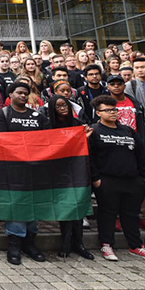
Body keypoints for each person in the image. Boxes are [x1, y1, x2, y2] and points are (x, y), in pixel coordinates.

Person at [89, 95, 145, 263]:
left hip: (132, 181)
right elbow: (90, 158)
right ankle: (106, 244)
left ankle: (136, 245)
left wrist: (144, 179)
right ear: (98, 113)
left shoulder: (128, 131)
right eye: (107, 110)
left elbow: (141, 156)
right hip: (107, 181)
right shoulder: (94, 131)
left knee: (130, 215)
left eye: (114, 109)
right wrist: (96, 179)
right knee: (107, 214)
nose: (112, 113)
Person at [0, 82, 50, 266]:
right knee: (16, 207)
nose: (23, 96)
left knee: (32, 206)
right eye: (19, 93)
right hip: (12, 170)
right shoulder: (1, 115)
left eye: (26, 93)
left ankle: (29, 243)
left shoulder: (37, 116)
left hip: (34, 170)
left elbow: (47, 139)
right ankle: (14, 244)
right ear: (10, 95)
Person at [45, 95, 94, 260]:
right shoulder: (48, 126)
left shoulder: (78, 124)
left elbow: (85, 148)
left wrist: (85, 138)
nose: (63, 108)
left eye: (65, 105)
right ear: (53, 109)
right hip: (58, 172)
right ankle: (65, 242)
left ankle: (79, 243)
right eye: (58, 106)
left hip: (78, 170)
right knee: (65, 208)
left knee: (78, 206)